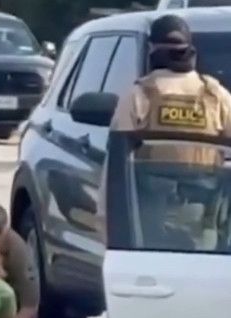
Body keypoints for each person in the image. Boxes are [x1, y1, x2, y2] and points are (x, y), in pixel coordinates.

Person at [98, 14, 231, 242]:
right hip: (204, 225)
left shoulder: (138, 96)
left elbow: (116, 167)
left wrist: (105, 220)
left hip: (147, 226)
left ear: (152, 49)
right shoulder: (216, 97)